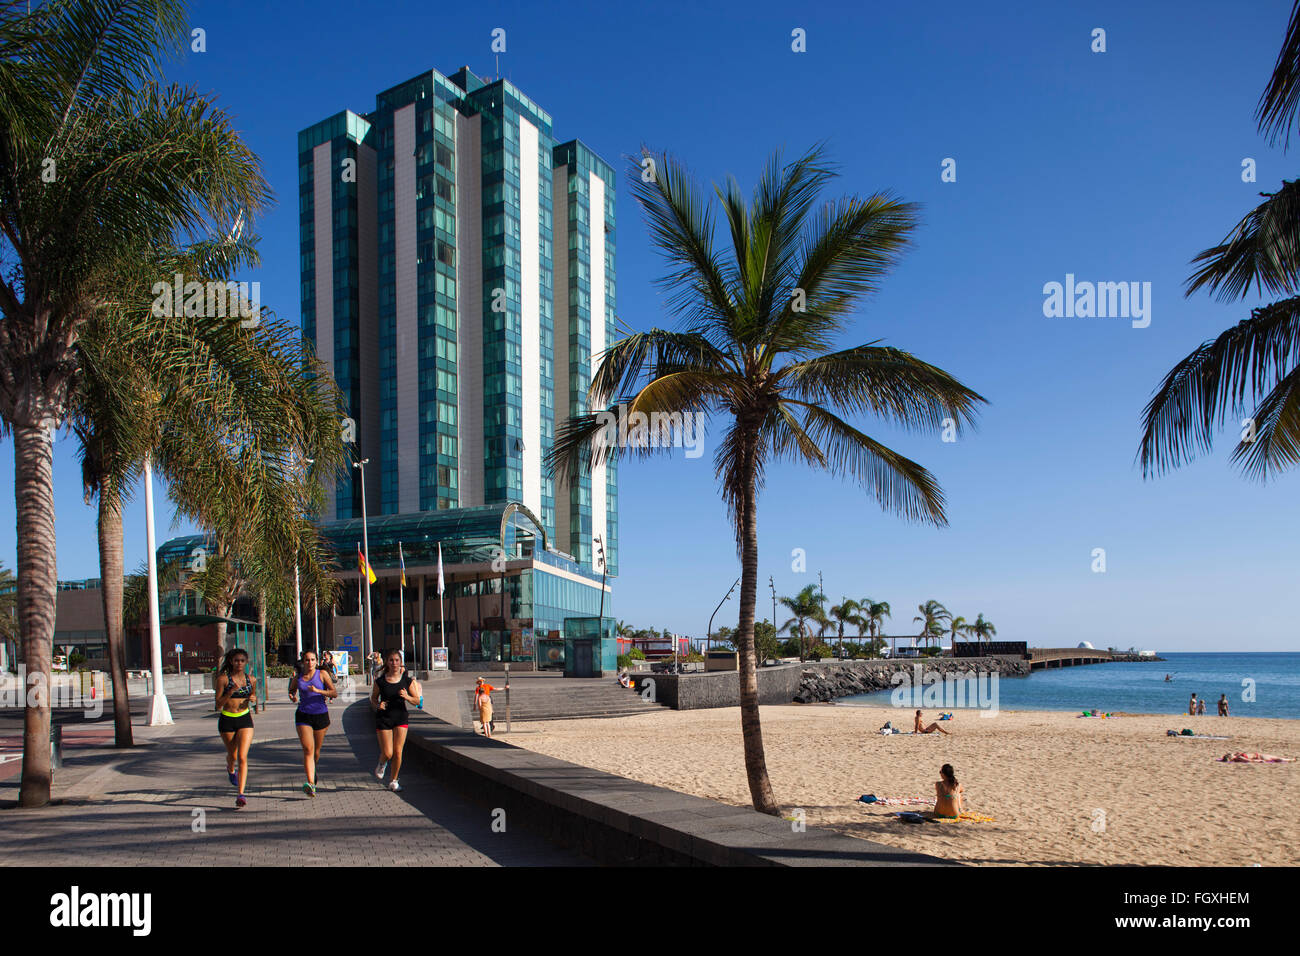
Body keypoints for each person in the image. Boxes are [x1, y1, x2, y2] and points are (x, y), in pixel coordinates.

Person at [371, 648, 421, 792]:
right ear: (387, 662)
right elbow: (373, 698)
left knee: (398, 751)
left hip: (400, 717)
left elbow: (417, 700)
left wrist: (407, 697)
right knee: (388, 753)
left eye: (397, 660)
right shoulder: (380, 681)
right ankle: (382, 762)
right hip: (384, 718)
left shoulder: (407, 680)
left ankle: (394, 781)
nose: (394, 663)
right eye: (391, 660)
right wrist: (377, 705)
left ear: (401, 663)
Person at [288, 650, 337, 797]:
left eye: (312, 660)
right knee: (308, 750)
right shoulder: (298, 678)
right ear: (303, 662)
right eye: (307, 660)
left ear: (317, 661)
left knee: (315, 752)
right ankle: (311, 784)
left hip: (321, 715)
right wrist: (292, 697)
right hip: (303, 716)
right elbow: (292, 690)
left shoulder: (322, 675)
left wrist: (318, 691)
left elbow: (334, 693)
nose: (310, 663)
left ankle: (313, 771)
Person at [214, 648, 258, 809]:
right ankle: (230, 769)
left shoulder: (251, 680)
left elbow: (253, 697)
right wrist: (230, 692)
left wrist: (253, 698)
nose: (239, 663)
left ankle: (241, 794)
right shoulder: (224, 679)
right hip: (227, 719)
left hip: (244, 719)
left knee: (243, 756)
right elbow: (217, 705)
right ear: (231, 662)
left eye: (242, 660)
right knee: (232, 755)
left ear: (246, 663)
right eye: (236, 660)